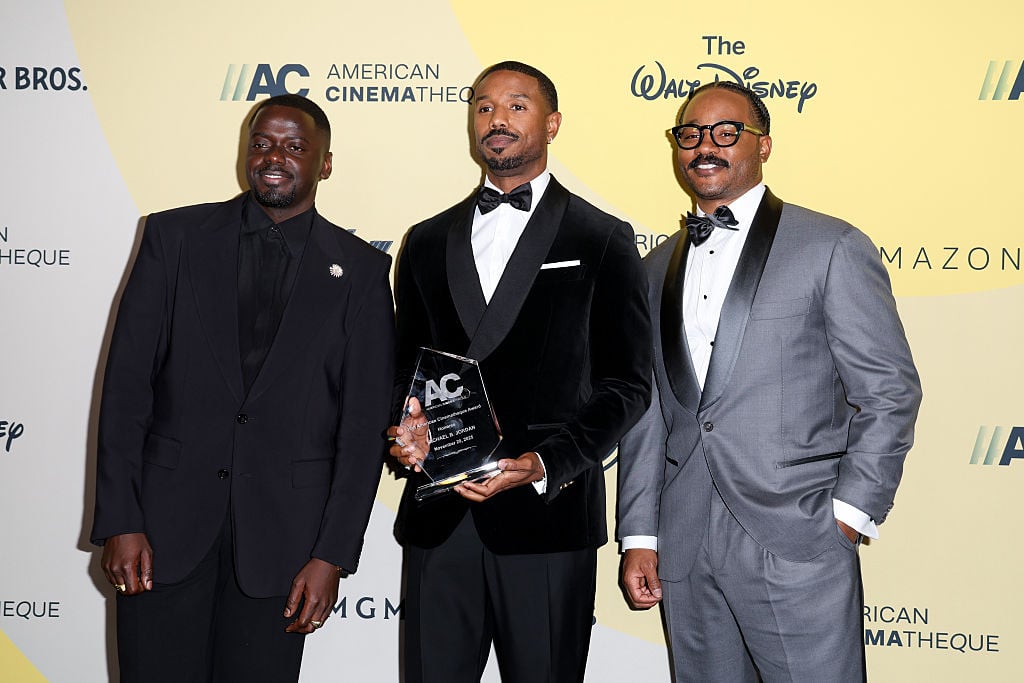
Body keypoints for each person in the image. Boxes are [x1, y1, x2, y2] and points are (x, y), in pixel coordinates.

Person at [617, 81, 922, 682]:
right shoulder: (653, 269)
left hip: (798, 536)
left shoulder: (830, 245)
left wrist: (849, 514)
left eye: (727, 132)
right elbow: (648, 411)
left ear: (765, 146)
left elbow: (889, 390)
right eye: (691, 134)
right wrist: (639, 532)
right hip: (684, 540)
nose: (706, 146)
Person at [91, 94, 395, 682]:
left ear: (325, 164)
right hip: (161, 534)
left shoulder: (360, 272)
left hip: (283, 548)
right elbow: (126, 391)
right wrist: (121, 519)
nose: (273, 156)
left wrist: (331, 555)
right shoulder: (173, 238)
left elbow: (360, 433)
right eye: (260, 143)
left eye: (294, 146)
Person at [387, 61, 651, 683]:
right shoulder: (424, 240)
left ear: (552, 123)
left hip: (547, 518)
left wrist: (544, 464)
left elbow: (627, 385)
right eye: (482, 107)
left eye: (516, 106)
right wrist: (403, 427)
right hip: (440, 514)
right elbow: (402, 369)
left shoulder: (603, 237)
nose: (496, 119)